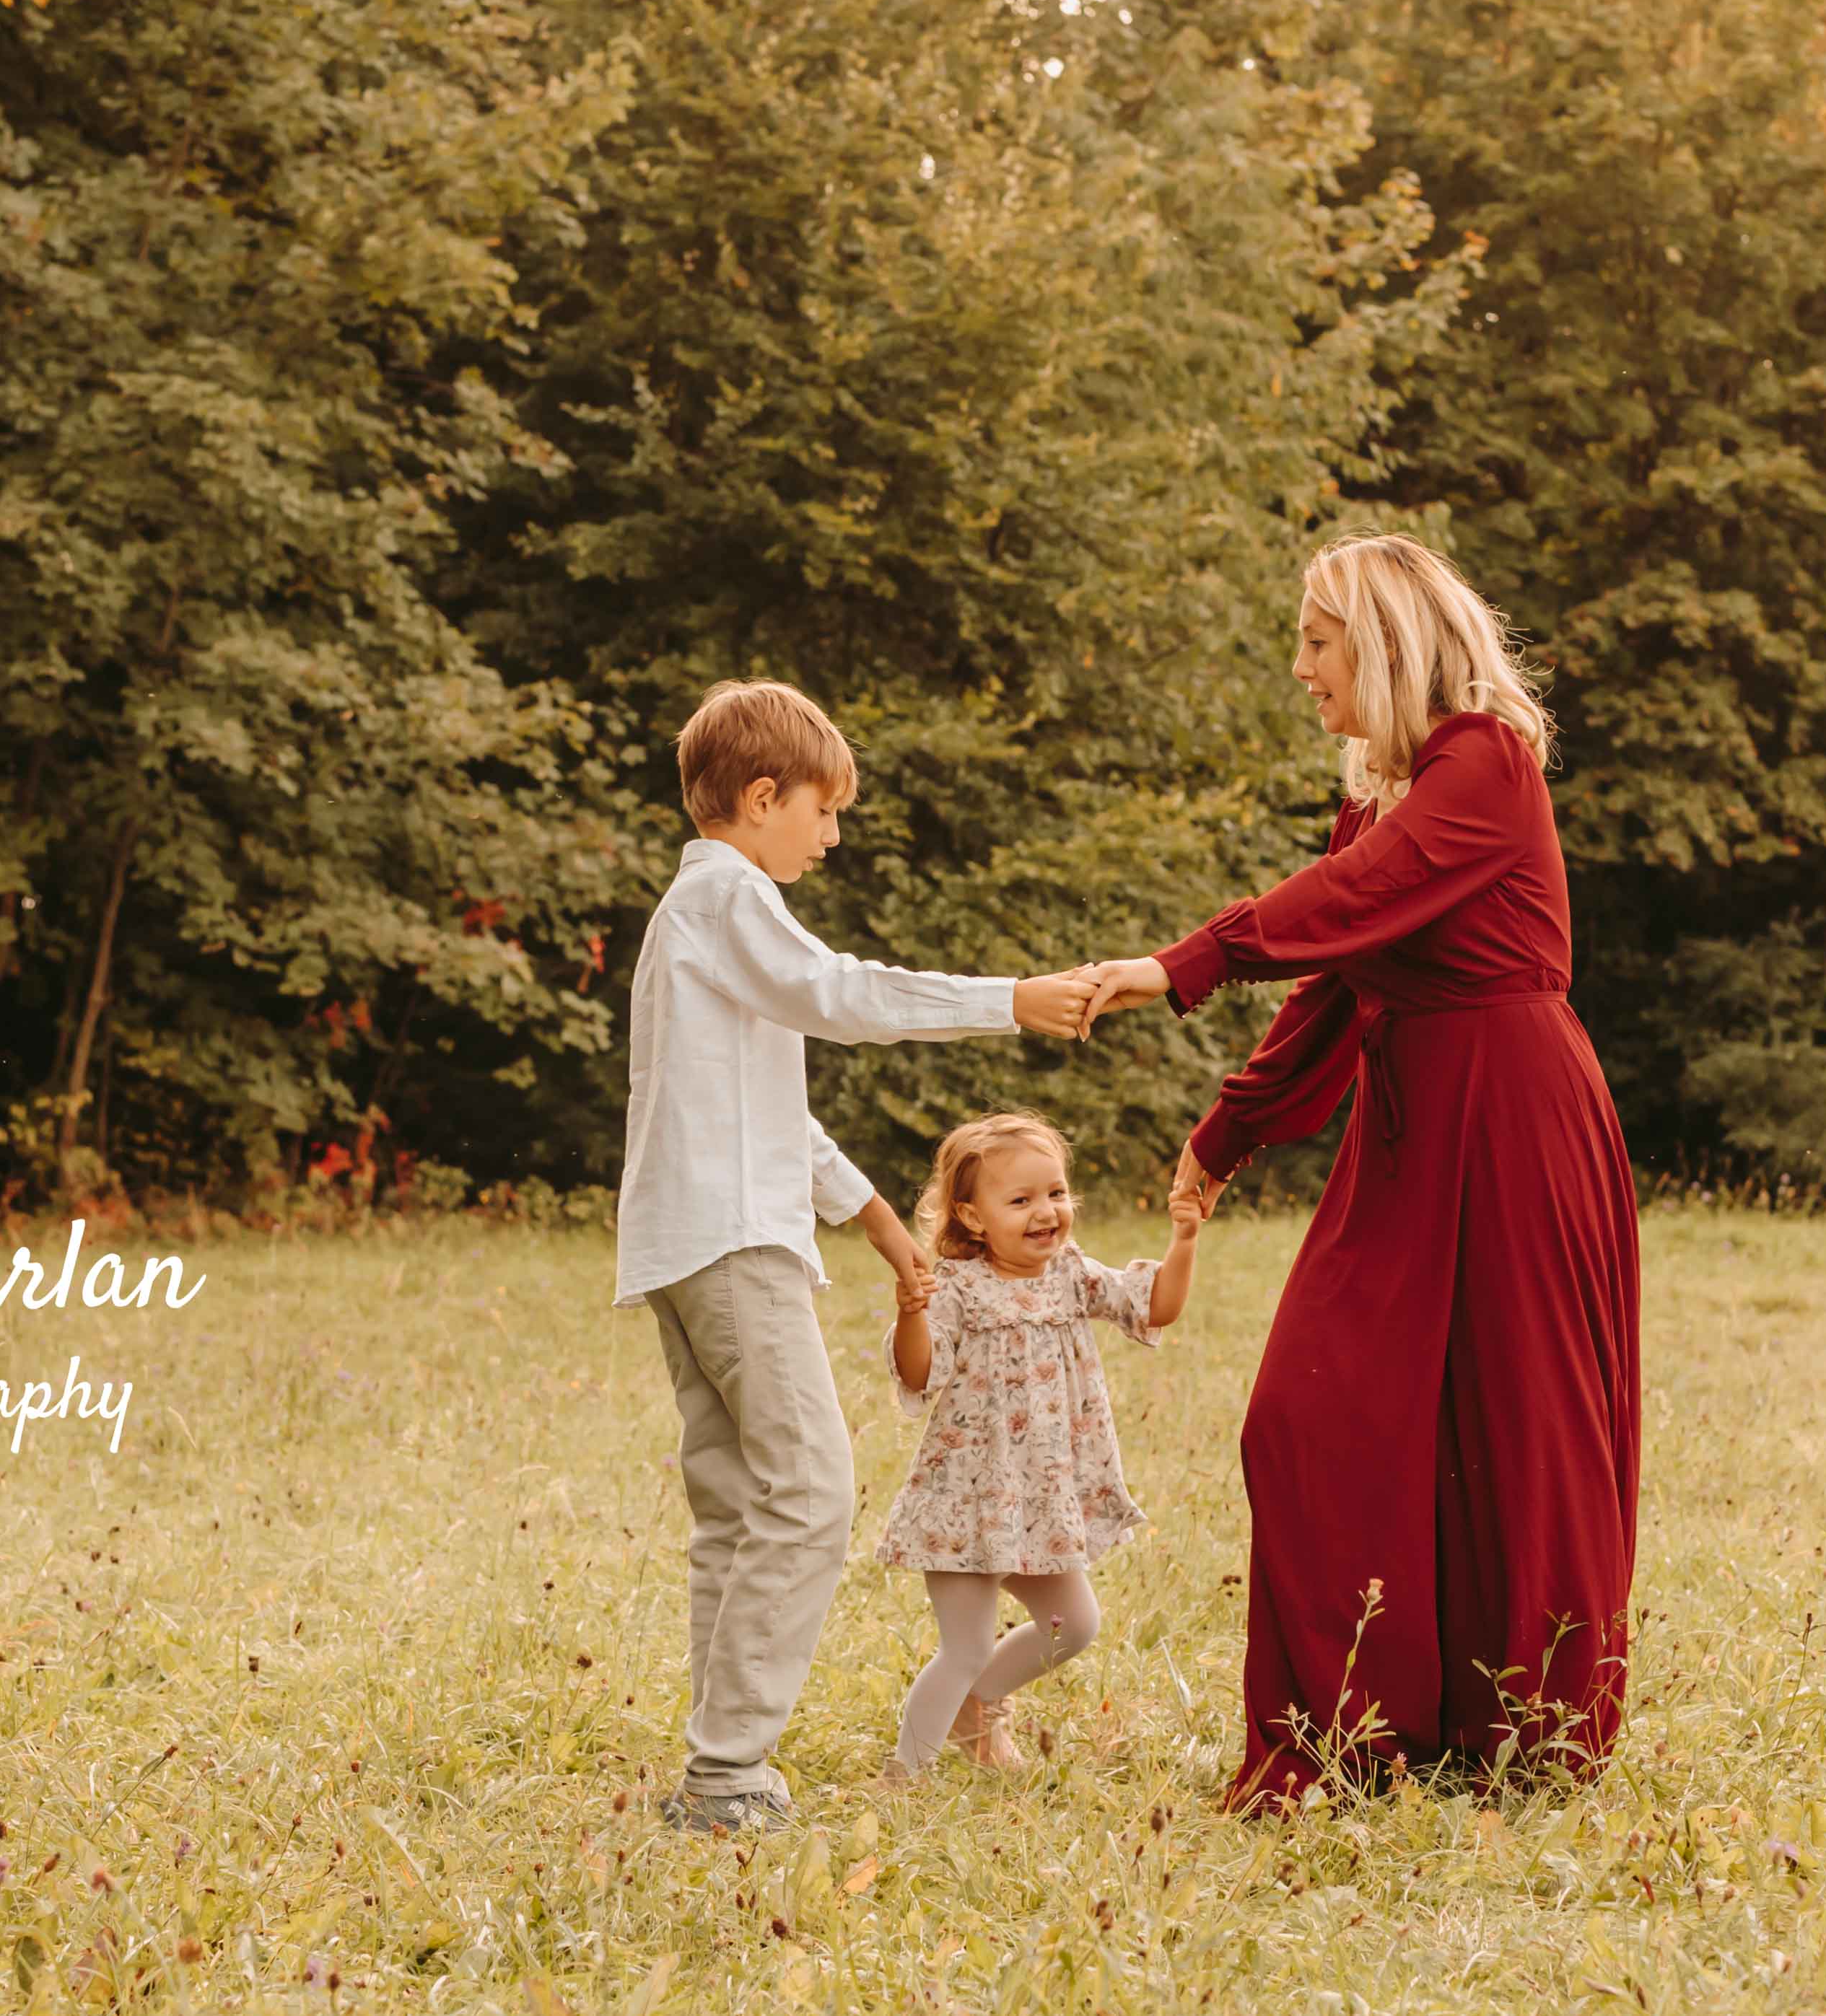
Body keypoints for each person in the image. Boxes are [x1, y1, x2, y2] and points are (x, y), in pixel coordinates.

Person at [1085, 533, 1643, 1811]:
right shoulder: (1383, 797)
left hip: (1516, 1119)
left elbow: (1351, 898)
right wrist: (1227, 1132)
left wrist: (1187, 960)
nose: (1301, 668)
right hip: (1409, 1126)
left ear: (1383, 643)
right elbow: (1342, 977)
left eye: (1317, 640)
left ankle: (1527, 1732)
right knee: (1310, 1414)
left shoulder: (1485, 763)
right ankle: (1349, 1733)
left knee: (1516, 1423)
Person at [618, 680, 1103, 1835]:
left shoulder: (696, 916)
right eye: (823, 810)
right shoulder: (730, 893)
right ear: (761, 796)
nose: (831, 836)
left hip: (687, 1239)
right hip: (732, 1242)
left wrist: (880, 1218)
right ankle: (727, 1772)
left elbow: (759, 1104)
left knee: (739, 1502)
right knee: (810, 1489)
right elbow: (840, 993)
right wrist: (1009, 999)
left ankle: (719, 1760)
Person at [870, 1111, 1206, 1782]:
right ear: (972, 1216)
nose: (1046, 1211)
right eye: (1020, 1200)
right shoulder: (958, 1287)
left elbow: (1156, 1306)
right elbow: (918, 1371)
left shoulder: (1070, 1274)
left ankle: (978, 1704)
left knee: (1073, 1624)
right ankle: (903, 1778)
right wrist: (911, 1312)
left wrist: (1185, 1236)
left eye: (1055, 1192)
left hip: (1041, 1501)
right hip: (970, 1500)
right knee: (965, 1647)